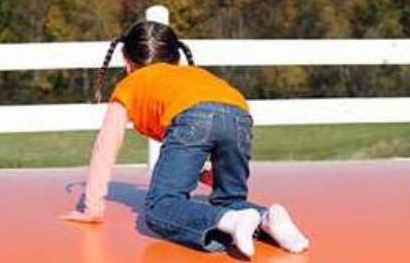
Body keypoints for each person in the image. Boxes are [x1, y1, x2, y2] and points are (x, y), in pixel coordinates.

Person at [64, 21, 309, 258]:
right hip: (239, 113)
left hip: (192, 116)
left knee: (160, 207)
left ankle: (232, 220)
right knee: (229, 199)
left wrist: (92, 208)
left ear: (128, 64)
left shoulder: (128, 86)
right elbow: (210, 134)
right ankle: (266, 217)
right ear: (177, 58)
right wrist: (207, 172)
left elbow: (105, 148)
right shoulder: (193, 76)